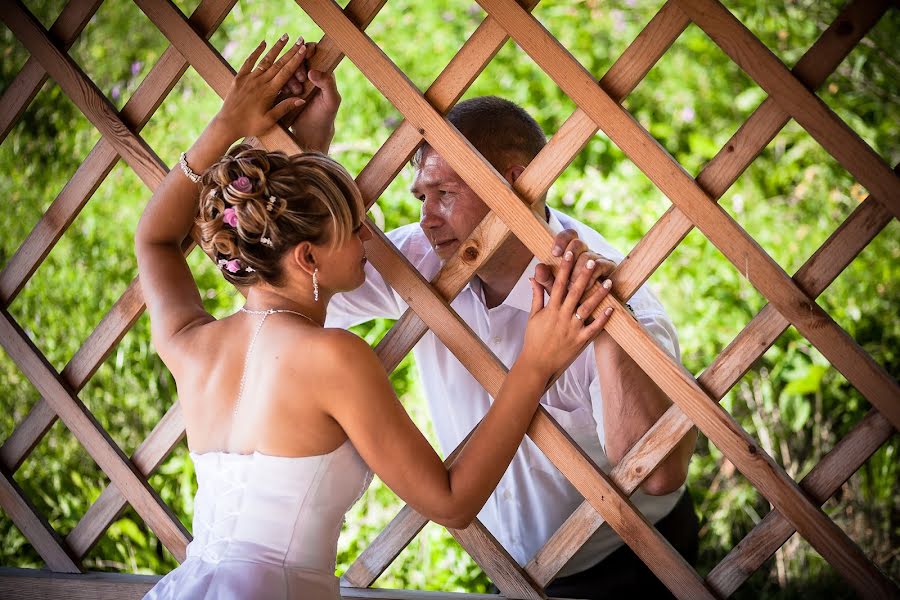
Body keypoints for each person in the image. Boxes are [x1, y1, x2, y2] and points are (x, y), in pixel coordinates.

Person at [136, 36, 613, 600]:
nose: (373, 236)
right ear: (309, 258)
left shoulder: (193, 345)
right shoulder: (333, 358)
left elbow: (155, 239)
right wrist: (535, 362)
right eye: (355, 225)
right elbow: (452, 501)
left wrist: (232, 122)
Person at [325, 95, 699, 597]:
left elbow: (658, 476)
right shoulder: (421, 258)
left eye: (445, 193)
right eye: (422, 197)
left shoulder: (618, 299)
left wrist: (609, 326)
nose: (428, 217)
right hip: (507, 572)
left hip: (633, 563)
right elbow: (302, 291)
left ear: (514, 182)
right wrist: (311, 150)